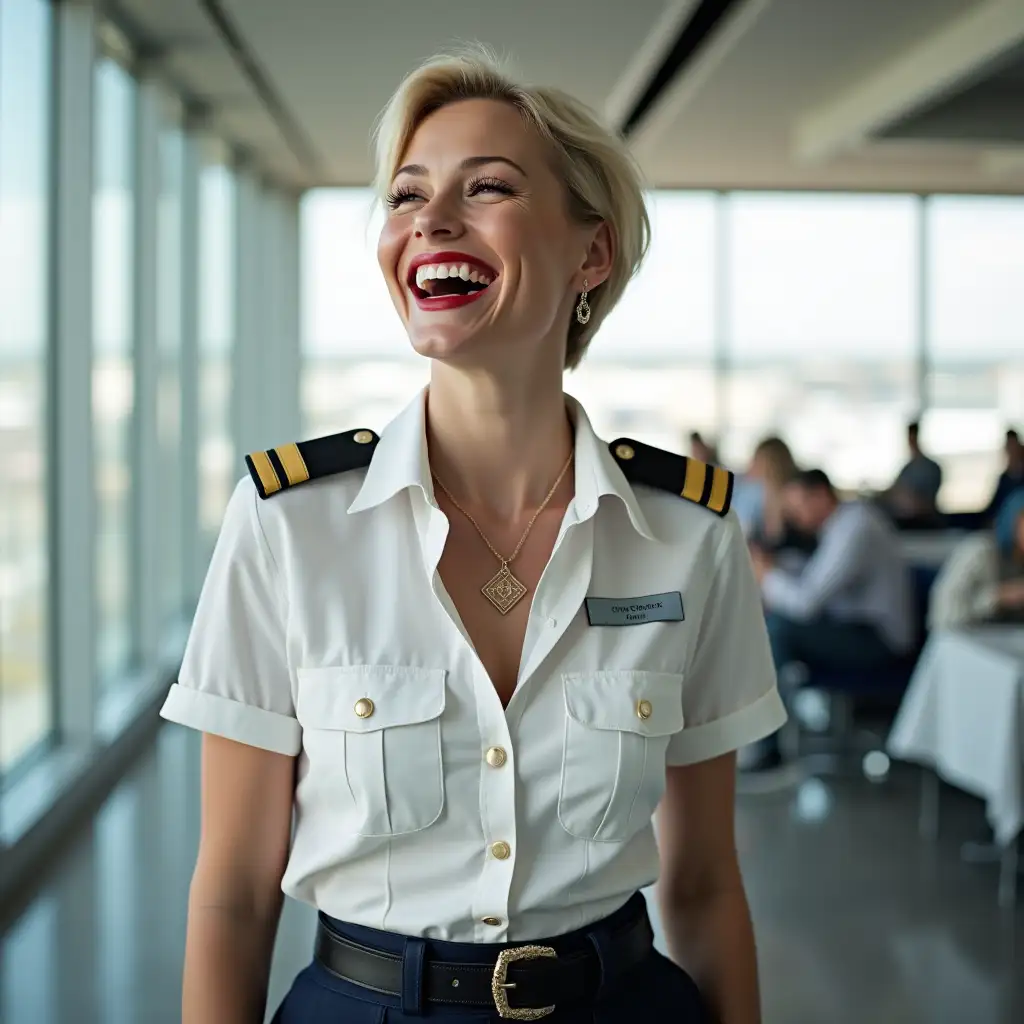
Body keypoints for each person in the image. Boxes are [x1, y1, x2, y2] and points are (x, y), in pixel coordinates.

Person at [160, 50, 786, 1024]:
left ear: (591, 254)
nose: (429, 222)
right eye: (406, 196)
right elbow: (232, 891)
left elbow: (703, 885)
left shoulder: (686, 534)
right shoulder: (290, 522)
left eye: (486, 187)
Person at [745, 469, 913, 771]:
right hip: (855, 628)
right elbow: (816, 578)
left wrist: (766, 573)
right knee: (773, 625)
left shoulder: (856, 528)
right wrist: (775, 568)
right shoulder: (843, 525)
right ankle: (772, 726)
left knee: (778, 630)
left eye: (798, 508)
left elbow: (807, 602)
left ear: (820, 494)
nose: (795, 518)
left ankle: (769, 745)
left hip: (879, 640)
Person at [928, 489, 1024, 630]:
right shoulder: (979, 551)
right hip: (959, 646)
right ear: (1012, 520)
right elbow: (942, 617)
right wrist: (998, 597)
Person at [881, 420, 943, 527]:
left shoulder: (931, 468)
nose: (911, 442)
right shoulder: (907, 469)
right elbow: (895, 493)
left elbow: (924, 504)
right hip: (906, 521)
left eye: (913, 438)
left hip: (926, 524)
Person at [980, 428, 1024, 522]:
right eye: (1009, 448)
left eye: (1013, 447)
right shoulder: (1005, 479)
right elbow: (993, 509)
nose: (1011, 452)